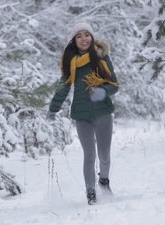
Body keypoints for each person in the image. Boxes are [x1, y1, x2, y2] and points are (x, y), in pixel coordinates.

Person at [46, 21, 119, 205]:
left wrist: (103, 91)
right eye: (79, 36)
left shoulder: (101, 56)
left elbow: (114, 84)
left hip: (103, 112)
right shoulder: (70, 62)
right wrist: (53, 108)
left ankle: (104, 180)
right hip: (81, 115)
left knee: (104, 155)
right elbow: (63, 87)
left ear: (92, 37)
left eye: (86, 34)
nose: (83, 39)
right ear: (74, 41)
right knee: (89, 155)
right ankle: (90, 192)